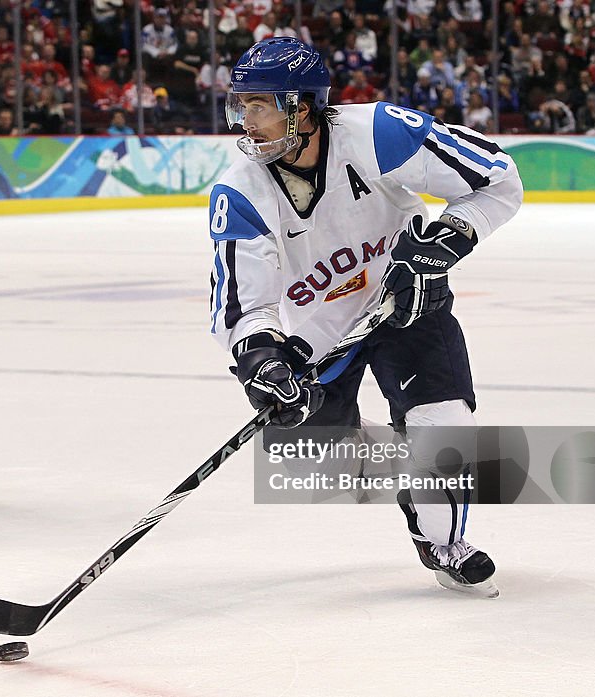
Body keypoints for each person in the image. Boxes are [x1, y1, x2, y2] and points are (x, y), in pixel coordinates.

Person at [208, 38, 522, 596]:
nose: (245, 122)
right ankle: (405, 463)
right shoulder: (240, 190)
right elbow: (243, 305)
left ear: (300, 106)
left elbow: (497, 179)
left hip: (408, 306)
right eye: (242, 106)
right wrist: (261, 357)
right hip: (319, 334)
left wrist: (447, 240)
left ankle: (441, 538)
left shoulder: (380, 133)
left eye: (258, 106)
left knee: (444, 430)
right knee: (308, 461)